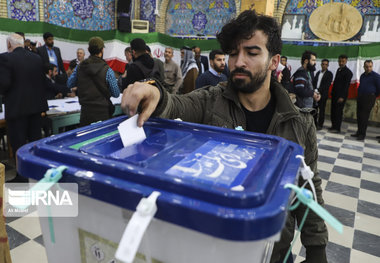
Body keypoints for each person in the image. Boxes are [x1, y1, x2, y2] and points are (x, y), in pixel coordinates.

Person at [121, 10, 328, 263]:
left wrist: (317, 249)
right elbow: (176, 105)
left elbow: (309, 186)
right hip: (213, 248)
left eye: (251, 53)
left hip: (273, 250)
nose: (239, 62)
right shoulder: (211, 102)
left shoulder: (299, 122)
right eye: (233, 53)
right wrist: (155, 93)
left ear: (274, 61)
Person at [0, 33, 48, 182]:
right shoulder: (36, 58)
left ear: (9, 45)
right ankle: (36, 174)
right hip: (35, 108)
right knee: (34, 142)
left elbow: (4, 84)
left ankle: (22, 177)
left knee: (18, 144)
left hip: (17, 109)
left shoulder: (6, 58)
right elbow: (42, 82)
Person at [67, 37, 120, 127]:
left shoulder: (79, 67)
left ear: (88, 50)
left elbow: (69, 84)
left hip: (85, 113)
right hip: (103, 113)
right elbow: (116, 93)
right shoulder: (107, 70)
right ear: (102, 50)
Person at [351, 60, 380, 140]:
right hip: (360, 97)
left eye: (370, 66)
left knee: (364, 116)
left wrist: (373, 95)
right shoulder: (362, 76)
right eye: (366, 67)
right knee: (359, 115)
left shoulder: (376, 76)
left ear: (372, 66)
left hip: (369, 98)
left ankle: (362, 134)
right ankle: (359, 132)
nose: (368, 68)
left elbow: (379, 89)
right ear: (364, 67)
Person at [329, 54, 353, 133]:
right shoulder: (338, 70)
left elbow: (346, 86)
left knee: (338, 112)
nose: (341, 63)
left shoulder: (348, 72)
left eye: (343, 61)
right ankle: (333, 126)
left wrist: (342, 96)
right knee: (333, 111)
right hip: (335, 94)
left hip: (341, 96)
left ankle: (337, 128)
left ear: (346, 61)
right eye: (340, 61)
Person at [313, 59, 333, 130]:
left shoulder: (329, 74)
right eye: (323, 64)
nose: (324, 65)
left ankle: (320, 124)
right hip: (315, 93)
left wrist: (318, 91)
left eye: (326, 64)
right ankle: (314, 123)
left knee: (321, 110)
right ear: (321, 65)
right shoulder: (318, 73)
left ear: (327, 66)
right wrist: (315, 90)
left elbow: (326, 85)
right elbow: (314, 82)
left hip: (323, 95)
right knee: (314, 109)